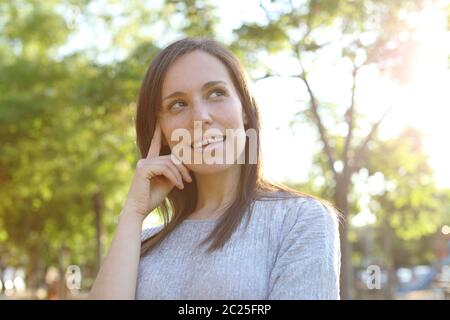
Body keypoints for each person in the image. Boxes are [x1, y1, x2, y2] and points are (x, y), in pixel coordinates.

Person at [89, 37, 341, 300]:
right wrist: (132, 214)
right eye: (178, 104)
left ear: (244, 108)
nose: (200, 117)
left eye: (216, 94)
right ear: (160, 130)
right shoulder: (140, 244)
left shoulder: (300, 219)